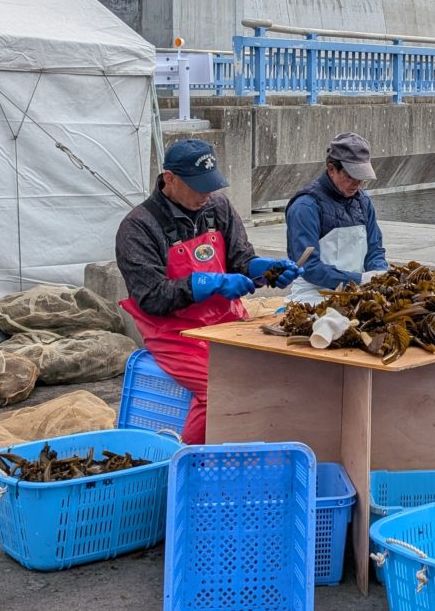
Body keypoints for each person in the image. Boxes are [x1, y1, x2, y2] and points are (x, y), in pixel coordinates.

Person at [114, 139, 298, 444]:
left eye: (210, 185)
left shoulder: (217, 206)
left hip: (227, 318)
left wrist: (263, 270)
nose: (206, 194)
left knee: (278, 370)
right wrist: (209, 283)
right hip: (175, 332)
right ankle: (188, 463)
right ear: (169, 179)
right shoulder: (138, 227)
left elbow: (240, 259)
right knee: (220, 389)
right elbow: (152, 298)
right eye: (198, 187)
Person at [286, 132, 389, 305]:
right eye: (351, 176)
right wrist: (360, 279)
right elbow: (308, 267)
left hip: (356, 289)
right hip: (313, 293)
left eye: (361, 177)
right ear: (331, 169)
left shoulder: (363, 201)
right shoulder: (306, 206)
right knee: (336, 321)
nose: (357, 183)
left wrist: (379, 273)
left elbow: (375, 250)